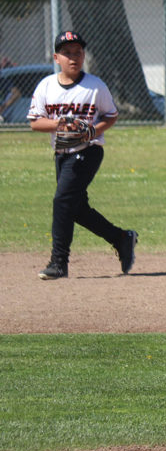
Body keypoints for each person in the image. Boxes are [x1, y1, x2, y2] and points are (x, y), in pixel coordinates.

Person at [28, 32, 137, 280]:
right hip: (62, 153)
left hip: (89, 150)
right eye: (67, 53)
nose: (73, 57)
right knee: (75, 209)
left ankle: (59, 262)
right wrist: (60, 124)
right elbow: (35, 122)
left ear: (83, 56)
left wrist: (92, 132)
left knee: (62, 202)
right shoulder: (46, 86)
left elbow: (111, 116)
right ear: (57, 58)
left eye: (77, 52)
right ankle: (121, 238)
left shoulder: (95, 86)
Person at [0, 56, 21, 122]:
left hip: (3, 106)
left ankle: (3, 118)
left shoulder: (2, 78)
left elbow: (17, 93)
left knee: (11, 96)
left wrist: (4, 106)